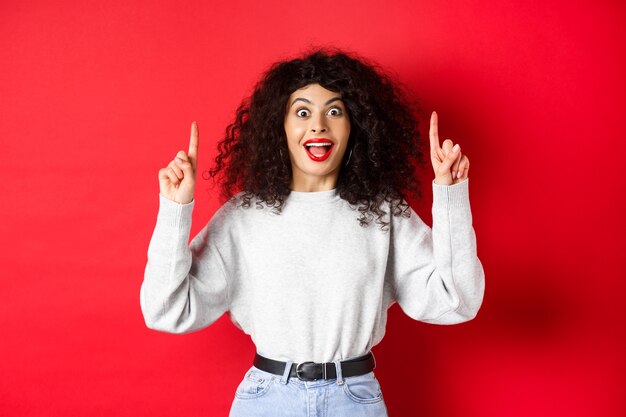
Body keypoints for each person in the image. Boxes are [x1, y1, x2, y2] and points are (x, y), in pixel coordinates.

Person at [140, 49, 485, 416]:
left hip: (354, 400)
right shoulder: (243, 217)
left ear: (355, 126)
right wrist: (175, 210)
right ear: (281, 126)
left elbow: (457, 301)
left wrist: (451, 194)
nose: (318, 124)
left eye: (334, 111)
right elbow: (166, 311)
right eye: (302, 112)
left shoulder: (383, 213)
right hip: (268, 400)